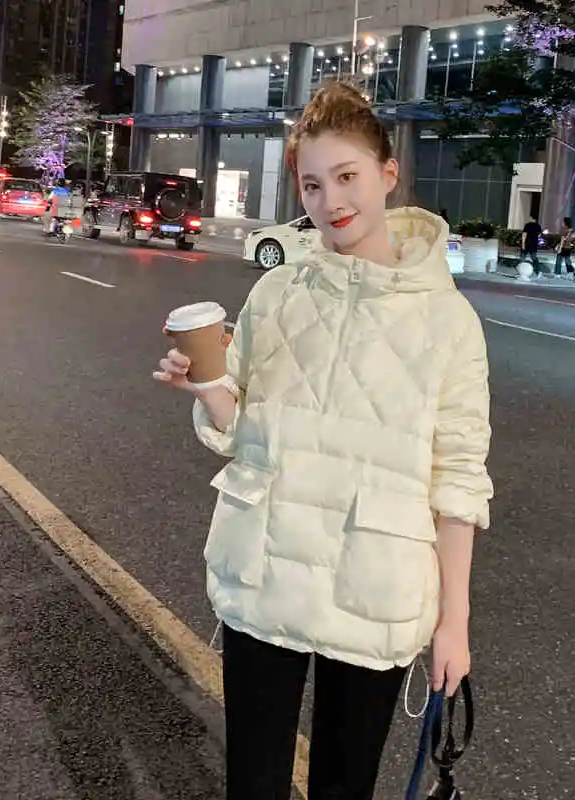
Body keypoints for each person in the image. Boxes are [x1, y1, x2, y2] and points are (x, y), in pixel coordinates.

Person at [154, 82, 493, 800]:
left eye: (347, 176)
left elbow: (459, 479)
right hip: (264, 571)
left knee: (345, 785)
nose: (331, 201)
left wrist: (454, 624)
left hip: (374, 584)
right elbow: (240, 427)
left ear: (387, 175)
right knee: (253, 782)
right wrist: (206, 387)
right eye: (312, 185)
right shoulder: (278, 293)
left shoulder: (449, 321)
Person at [521, 213, 543, 278]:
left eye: (530, 217)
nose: (529, 218)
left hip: (527, 243)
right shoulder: (538, 226)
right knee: (534, 258)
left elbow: (524, 235)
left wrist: (523, 243)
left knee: (522, 257)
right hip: (534, 244)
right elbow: (539, 235)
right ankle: (538, 271)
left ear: (532, 218)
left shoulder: (527, 225)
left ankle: (521, 272)